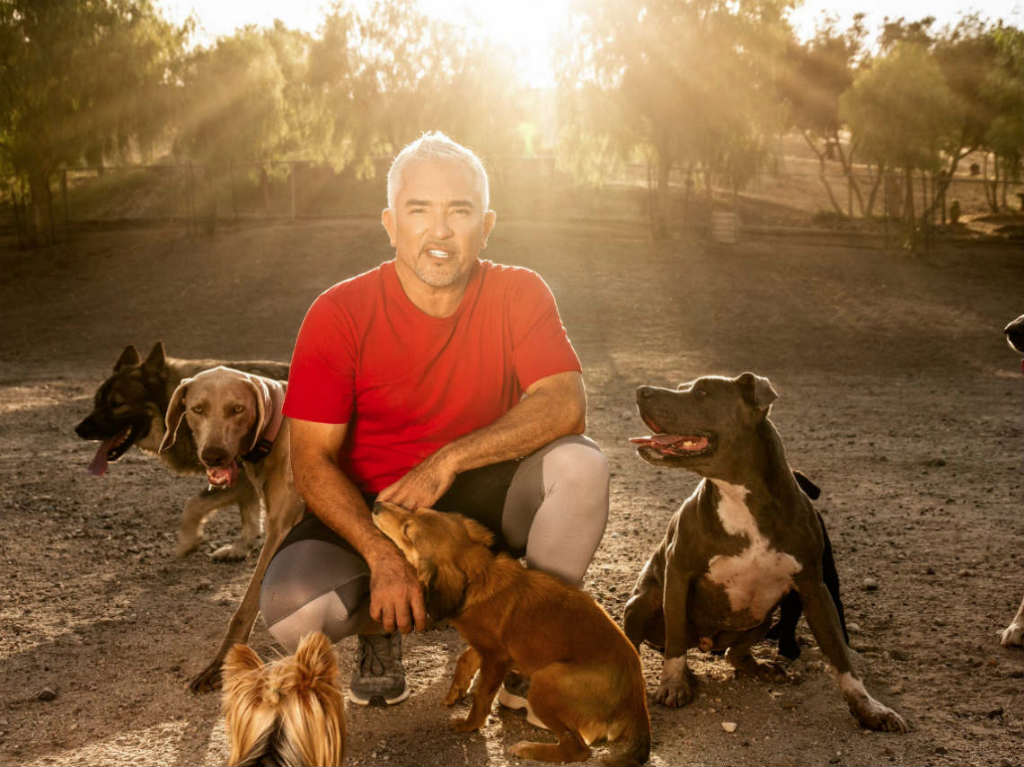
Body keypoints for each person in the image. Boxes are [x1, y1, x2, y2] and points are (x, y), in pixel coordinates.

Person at [259, 132, 610, 709]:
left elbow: (565, 403)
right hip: (372, 506)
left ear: (487, 224)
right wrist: (382, 555)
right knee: (296, 609)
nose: (440, 231)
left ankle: (528, 650)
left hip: (478, 499)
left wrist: (446, 461)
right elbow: (310, 462)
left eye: (459, 211)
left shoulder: (520, 292)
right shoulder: (337, 312)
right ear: (391, 223)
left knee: (581, 465)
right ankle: (380, 628)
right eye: (419, 210)